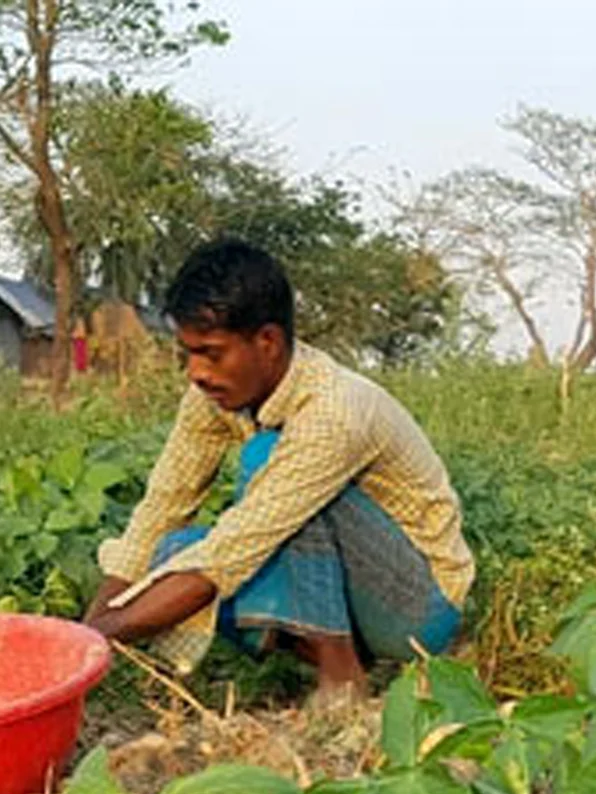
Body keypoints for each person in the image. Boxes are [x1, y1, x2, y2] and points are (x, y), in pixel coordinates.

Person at [85, 240, 475, 704]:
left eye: (211, 353)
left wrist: (96, 639)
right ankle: (333, 654)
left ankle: (342, 679)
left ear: (267, 342)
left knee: (264, 465)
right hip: (355, 593)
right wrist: (87, 632)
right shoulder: (212, 396)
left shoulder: (334, 410)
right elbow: (162, 509)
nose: (196, 372)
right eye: (187, 354)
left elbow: (231, 553)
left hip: (416, 607)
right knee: (173, 550)